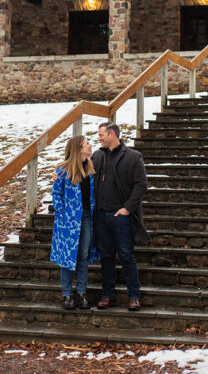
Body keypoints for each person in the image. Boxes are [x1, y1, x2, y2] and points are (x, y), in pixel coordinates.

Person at [91, 121, 149, 311]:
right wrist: (58, 173)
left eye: (101, 135)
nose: (98, 138)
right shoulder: (97, 156)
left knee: (126, 255)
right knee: (106, 256)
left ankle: (134, 296)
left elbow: (141, 185)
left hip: (121, 215)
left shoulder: (133, 156)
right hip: (101, 215)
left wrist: (127, 209)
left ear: (112, 135)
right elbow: (80, 171)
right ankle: (108, 295)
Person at [50, 134, 98, 310]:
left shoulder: (91, 168)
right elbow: (57, 194)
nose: (90, 145)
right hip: (68, 219)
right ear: (79, 148)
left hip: (87, 217)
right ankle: (67, 295)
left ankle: (81, 293)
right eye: (87, 144)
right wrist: (61, 215)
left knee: (83, 255)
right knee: (67, 257)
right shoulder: (63, 170)